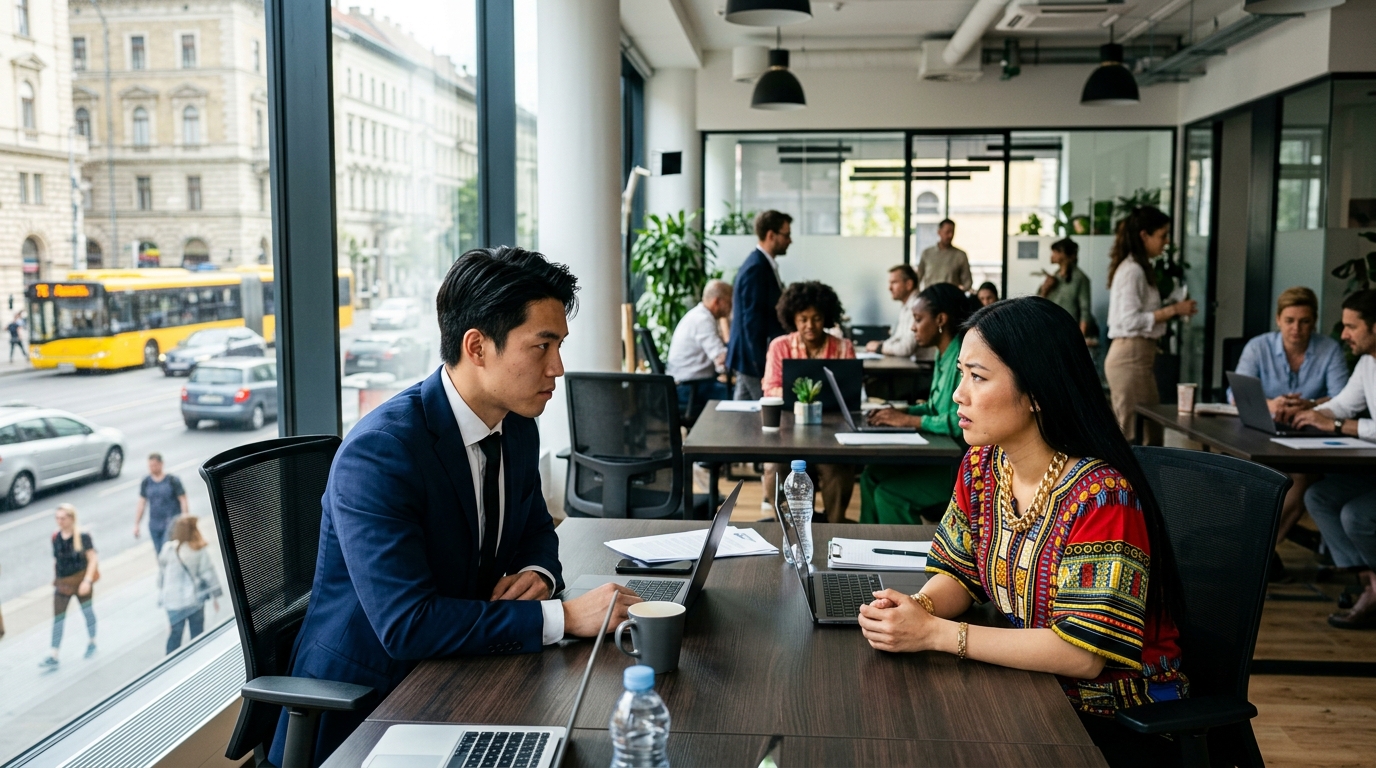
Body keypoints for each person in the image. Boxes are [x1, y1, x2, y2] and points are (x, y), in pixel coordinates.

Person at [269, 246, 641, 764]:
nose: (558, 368)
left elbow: (536, 527)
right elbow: (407, 625)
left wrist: (539, 573)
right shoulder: (381, 452)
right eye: (542, 346)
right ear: (478, 346)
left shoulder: (515, 428)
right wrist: (562, 617)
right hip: (371, 709)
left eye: (560, 345)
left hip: (468, 671)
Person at [857, 297, 1187, 767]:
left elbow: (1082, 654)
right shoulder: (983, 466)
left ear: (1035, 393)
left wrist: (933, 634)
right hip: (1025, 689)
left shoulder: (1102, 496)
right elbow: (958, 569)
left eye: (978, 376)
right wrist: (920, 607)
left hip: (1110, 719)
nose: (959, 395)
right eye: (961, 375)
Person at [1234, 286, 1349, 574]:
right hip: (1262, 432)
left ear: (1314, 321)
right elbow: (1236, 394)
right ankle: (1256, 556)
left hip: (1309, 434)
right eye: (1290, 320)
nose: (1296, 328)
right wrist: (1272, 404)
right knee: (1271, 477)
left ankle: (1253, 556)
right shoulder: (1258, 347)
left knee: (1299, 479)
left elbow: (1344, 397)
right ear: (1278, 320)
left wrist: (1309, 405)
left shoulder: (1329, 349)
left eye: (1304, 321)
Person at [1291, 289, 1376, 630]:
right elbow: (1342, 404)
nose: (1343, 335)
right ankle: (1371, 582)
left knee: (1356, 514)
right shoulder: (1368, 363)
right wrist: (1306, 415)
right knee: (1318, 496)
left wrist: (1337, 424)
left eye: (1351, 327)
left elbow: (1343, 419)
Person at [860, 283, 971, 524]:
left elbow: (959, 421)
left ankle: (900, 558)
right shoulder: (942, 353)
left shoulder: (964, 354)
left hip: (961, 464)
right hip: (943, 454)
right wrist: (900, 411)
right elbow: (934, 408)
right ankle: (863, 551)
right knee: (870, 477)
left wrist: (909, 420)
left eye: (918, 319)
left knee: (890, 495)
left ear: (940, 319)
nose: (913, 327)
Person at [761, 281, 856, 521]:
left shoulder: (843, 347)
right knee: (776, 469)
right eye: (803, 319)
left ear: (826, 317)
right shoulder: (779, 346)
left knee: (837, 469)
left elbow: (852, 394)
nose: (810, 325)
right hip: (788, 435)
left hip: (831, 437)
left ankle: (835, 530)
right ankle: (787, 530)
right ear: (793, 318)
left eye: (816, 318)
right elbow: (770, 388)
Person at [1104, 207, 1198, 444]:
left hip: (1138, 358)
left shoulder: (1139, 268)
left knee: (1149, 432)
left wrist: (1170, 307)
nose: (1166, 242)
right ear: (1144, 235)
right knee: (1137, 436)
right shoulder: (1132, 270)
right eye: (1163, 235)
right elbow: (1128, 320)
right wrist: (1173, 310)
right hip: (1130, 358)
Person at [725, 210, 791, 400]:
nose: (790, 240)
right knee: (767, 408)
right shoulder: (757, 268)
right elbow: (752, 321)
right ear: (771, 235)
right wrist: (761, 364)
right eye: (786, 235)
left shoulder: (761, 264)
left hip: (748, 356)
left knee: (742, 415)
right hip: (752, 357)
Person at [41, 504, 99, 668]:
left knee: (87, 611)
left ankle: (92, 640)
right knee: (59, 618)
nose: (59, 521)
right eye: (57, 518)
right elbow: (57, 561)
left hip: (80, 580)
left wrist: (87, 581)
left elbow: (93, 558)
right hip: (63, 583)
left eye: (63, 518)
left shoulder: (82, 536)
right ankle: (54, 652)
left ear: (71, 518)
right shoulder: (56, 536)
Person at [665, 279, 732, 421]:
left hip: (689, 385)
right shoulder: (703, 320)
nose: (732, 306)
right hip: (690, 389)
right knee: (739, 397)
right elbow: (721, 358)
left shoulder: (697, 315)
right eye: (729, 301)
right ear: (717, 302)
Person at [158, 516, 222, 653]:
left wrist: (161, 593)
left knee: (175, 634)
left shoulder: (168, 549)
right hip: (194, 601)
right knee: (197, 633)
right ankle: (198, 658)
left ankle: (170, 662)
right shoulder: (198, 550)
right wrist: (216, 595)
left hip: (172, 601)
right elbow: (209, 574)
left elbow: (162, 575)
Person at [134, 453, 189, 562]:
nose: (152, 468)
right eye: (150, 466)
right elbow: (142, 503)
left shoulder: (172, 480)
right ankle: (165, 576)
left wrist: (185, 519)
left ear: (161, 464)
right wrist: (137, 524)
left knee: (168, 552)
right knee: (160, 555)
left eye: (154, 465)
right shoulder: (146, 482)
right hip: (155, 524)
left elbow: (183, 500)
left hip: (172, 522)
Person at [1039, 238, 1093, 337]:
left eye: (1056, 251)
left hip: (1069, 331)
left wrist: (1081, 338)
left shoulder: (1080, 278)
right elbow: (1040, 303)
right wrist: (1045, 289)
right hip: (1051, 327)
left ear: (1065, 254)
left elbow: (1085, 310)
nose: (1052, 255)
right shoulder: (1054, 276)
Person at [866, 265, 920, 357]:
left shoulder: (918, 306)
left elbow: (905, 349)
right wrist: (881, 345)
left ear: (909, 285)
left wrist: (880, 347)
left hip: (922, 366)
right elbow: (898, 338)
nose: (889, 288)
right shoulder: (906, 305)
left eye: (894, 282)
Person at [915, 219, 972, 292]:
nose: (950, 235)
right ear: (939, 232)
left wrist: (959, 295)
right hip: (930, 297)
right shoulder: (927, 254)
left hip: (950, 299)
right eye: (947, 232)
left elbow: (967, 282)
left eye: (952, 232)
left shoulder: (960, 255)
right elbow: (918, 278)